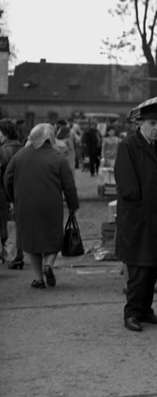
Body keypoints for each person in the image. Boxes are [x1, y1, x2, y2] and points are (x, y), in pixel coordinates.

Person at [114, 103, 157, 332]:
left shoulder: (156, 148)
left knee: (152, 268)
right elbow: (127, 184)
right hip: (139, 221)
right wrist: (143, 202)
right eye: (152, 124)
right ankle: (132, 312)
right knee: (139, 270)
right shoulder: (129, 146)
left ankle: (145, 310)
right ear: (140, 124)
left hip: (156, 220)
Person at [3, 123, 79, 288]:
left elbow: (7, 179)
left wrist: (14, 198)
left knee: (31, 242)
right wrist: (73, 205)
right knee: (52, 238)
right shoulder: (58, 158)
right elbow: (69, 185)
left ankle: (39, 279)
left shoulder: (20, 156)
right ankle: (49, 266)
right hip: (51, 204)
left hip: (25, 205)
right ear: (50, 137)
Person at [0, 120, 23, 265]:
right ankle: (18, 254)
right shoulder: (22, 148)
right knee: (19, 223)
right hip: (20, 189)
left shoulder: (2, 150)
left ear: (5, 134)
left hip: (3, 190)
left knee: (3, 222)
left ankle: (4, 252)